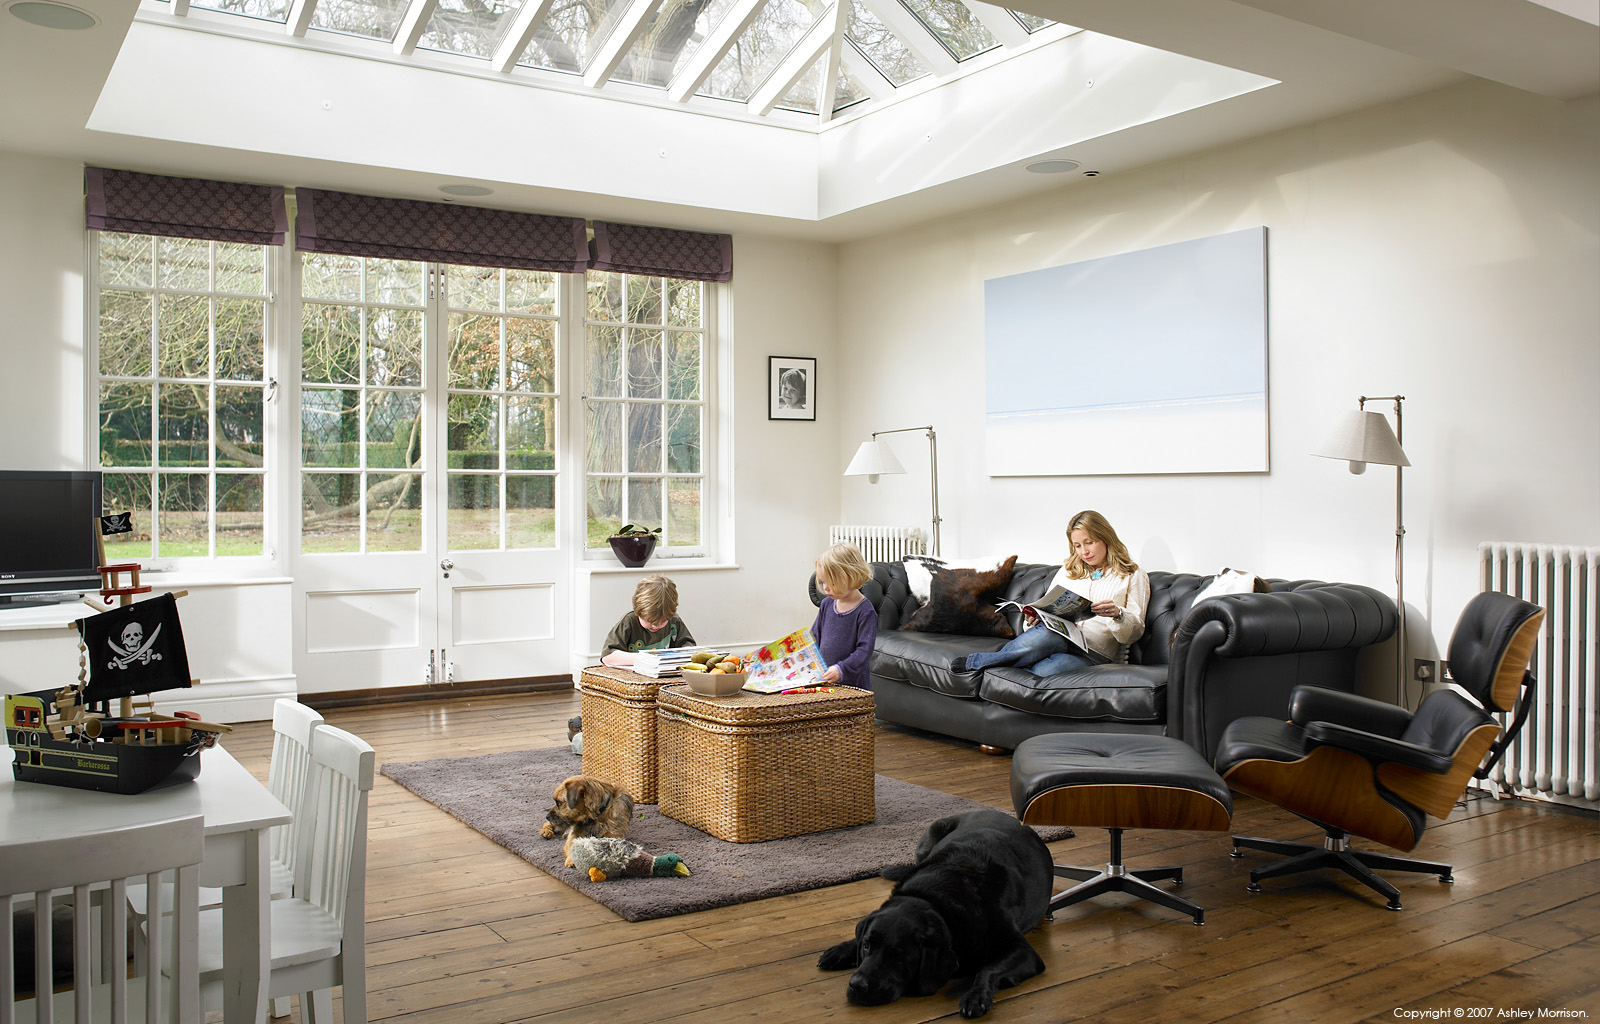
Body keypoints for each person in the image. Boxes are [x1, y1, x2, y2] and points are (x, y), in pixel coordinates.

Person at [957, 510, 1150, 676]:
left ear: (1106, 538)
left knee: (1043, 672)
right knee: (1045, 636)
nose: (1084, 552)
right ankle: (976, 663)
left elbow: (1134, 632)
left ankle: (987, 667)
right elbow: (1047, 607)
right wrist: (1035, 618)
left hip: (1093, 655)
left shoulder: (1132, 574)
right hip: (1057, 637)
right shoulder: (1069, 570)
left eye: (1089, 542)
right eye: (1077, 546)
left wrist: (1118, 615)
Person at [811, 542, 879, 689]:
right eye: (823, 582)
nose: (825, 588)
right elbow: (815, 637)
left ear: (850, 577)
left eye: (831, 582)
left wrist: (841, 669)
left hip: (853, 687)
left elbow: (864, 652)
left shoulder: (865, 612)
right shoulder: (827, 604)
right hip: (826, 682)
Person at [600, 574, 696, 669]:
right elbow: (608, 656)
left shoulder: (674, 621)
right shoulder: (629, 621)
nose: (655, 626)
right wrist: (644, 658)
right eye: (649, 621)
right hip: (632, 677)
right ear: (638, 612)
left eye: (663, 621)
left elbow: (690, 651)